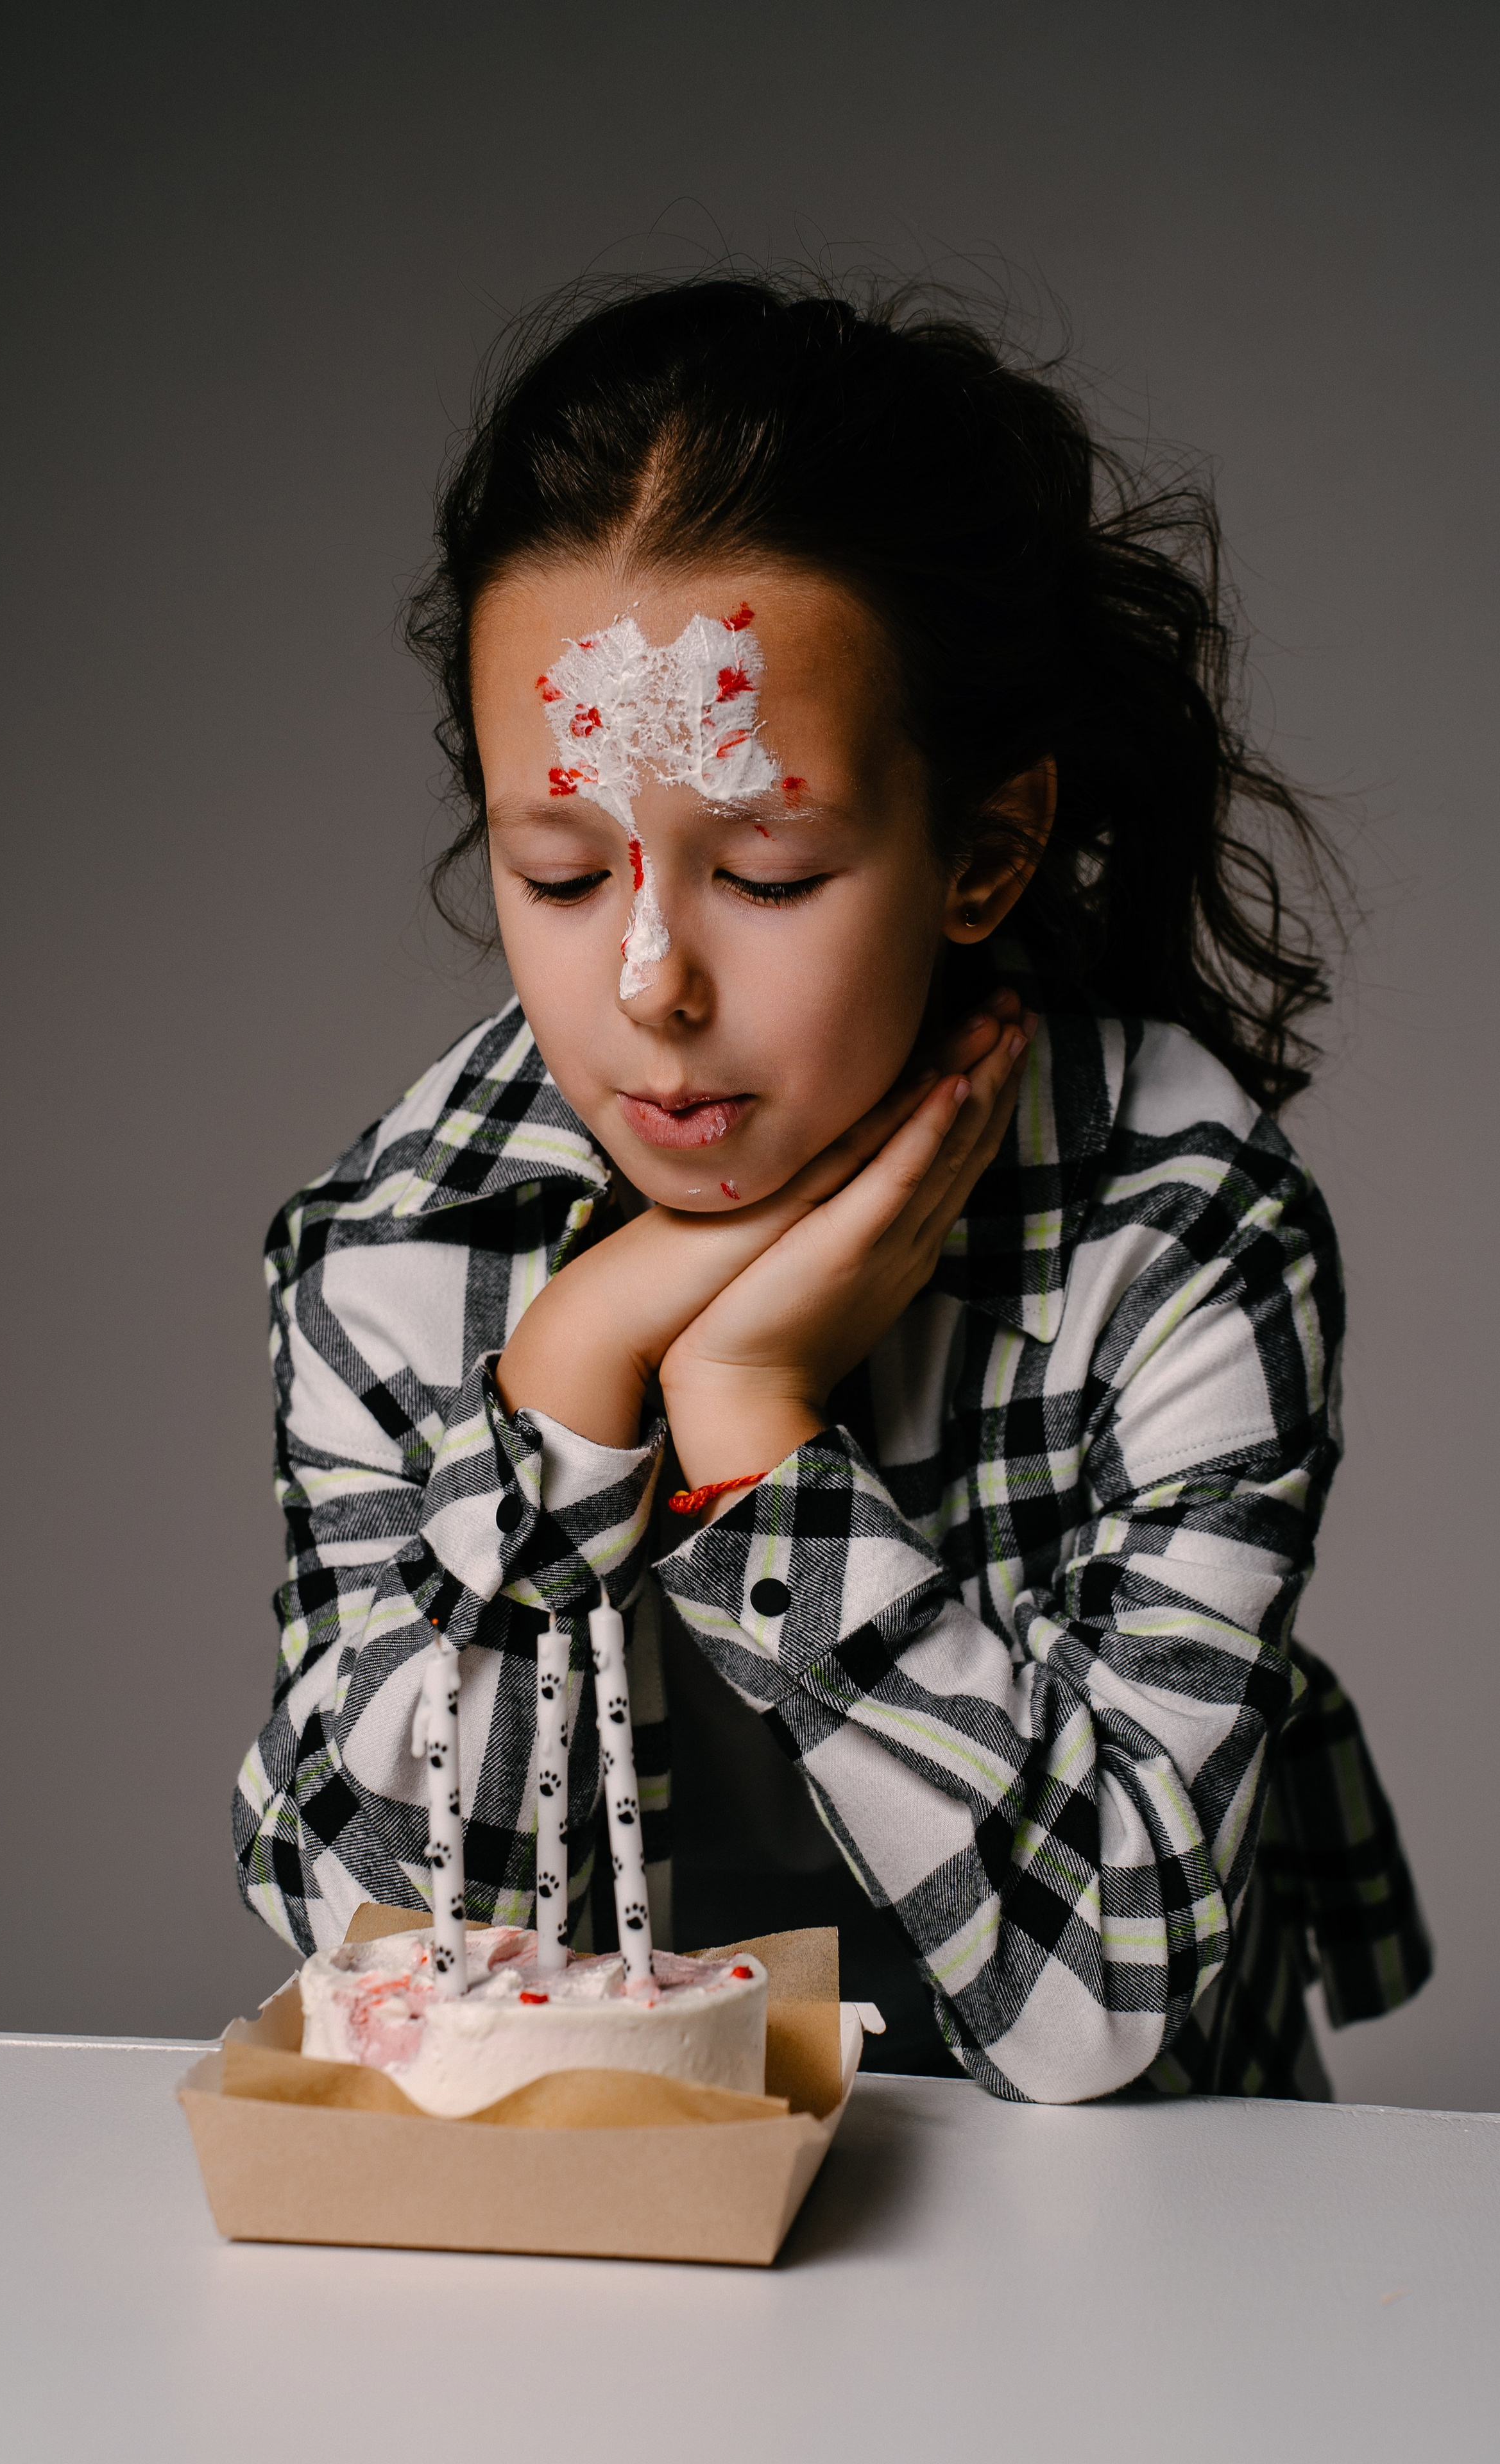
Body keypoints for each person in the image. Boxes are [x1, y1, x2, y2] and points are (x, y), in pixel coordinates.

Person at [233, 276, 1429, 2101]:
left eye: (771, 874)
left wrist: (750, 1425)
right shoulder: (397, 1245)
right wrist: (568, 1390)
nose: (651, 988)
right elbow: (379, 1974)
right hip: (623, 2177)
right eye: (557, 874)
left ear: (986, 849)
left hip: (1119, 2229)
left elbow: (1106, 2015)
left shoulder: (1181, 1231)